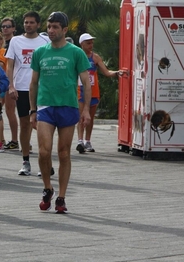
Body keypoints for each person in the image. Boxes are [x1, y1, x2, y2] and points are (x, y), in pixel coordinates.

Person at [29, 11, 92, 213]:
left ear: (65, 30)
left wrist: (87, 110)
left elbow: (85, 82)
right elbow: (33, 83)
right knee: (44, 151)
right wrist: (32, 110)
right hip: (45, 106)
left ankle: (61, 198)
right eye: (49, 27)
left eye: (56, 27)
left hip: (68, 106)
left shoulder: (76, 53)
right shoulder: (40, 52)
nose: (51, 30)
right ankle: (48, 188)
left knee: (64, 153)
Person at [6, 11, 50, 175]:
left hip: (42, 88)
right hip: (22, 89)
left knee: (44, 125)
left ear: (38, 25)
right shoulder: (15, 41)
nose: (28, 25)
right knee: (25, 124)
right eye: (26, 22)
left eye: (32, 22)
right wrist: (11, 86)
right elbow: (9, 65)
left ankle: (45, 162)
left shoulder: (45, 41)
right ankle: (26, 161)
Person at [75, 33, 122, 153]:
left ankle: (88, 141)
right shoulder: (76, 56)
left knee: (90, 118)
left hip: (93, 91)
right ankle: (80, 141)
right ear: (82, 44)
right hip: (80, 91)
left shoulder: (95, 58)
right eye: (88, 43)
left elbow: (106, 72)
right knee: (81, 116)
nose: (91, 45)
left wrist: (117, 73)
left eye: (92, 43)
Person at [0, 17, 19, 150]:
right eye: (3, 26)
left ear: (13, 29)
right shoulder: (4, 44)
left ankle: (15, 140)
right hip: (6, 82)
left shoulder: (14, 42)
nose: (5, 28)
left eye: (8, 26)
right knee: (7, 111)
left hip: (14, 82)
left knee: (11, 111)